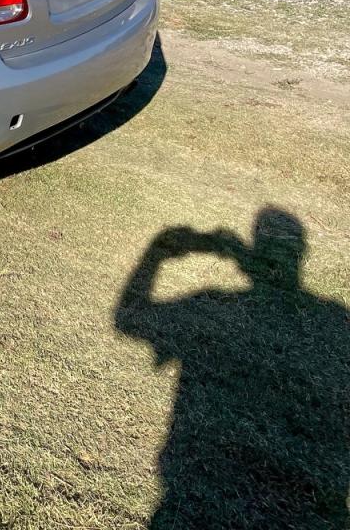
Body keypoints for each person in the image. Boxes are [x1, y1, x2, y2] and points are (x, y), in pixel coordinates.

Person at [114, 207, 350, 529]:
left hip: (189, 505)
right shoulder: (336, 323)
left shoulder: (215, 307)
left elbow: (129, 318)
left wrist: (158, 251)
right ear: (302, 254)